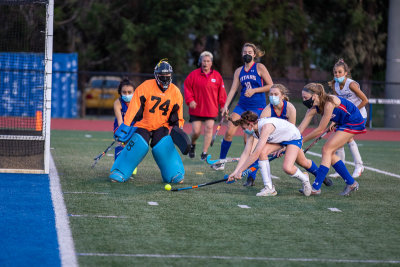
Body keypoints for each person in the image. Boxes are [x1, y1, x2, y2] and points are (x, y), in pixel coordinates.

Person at [109, 59, 186, 184]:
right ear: (156, 75)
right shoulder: (145, 86)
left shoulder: (176, 92)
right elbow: (134, 108)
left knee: (163, 145)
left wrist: (178, 130)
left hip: (162, 126)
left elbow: (178, 115)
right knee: (138, 144)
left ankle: (174, 173)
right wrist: (126, 126)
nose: (165, 79)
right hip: (143, 124)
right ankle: (120, 171)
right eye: (162, 76)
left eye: (168, 76)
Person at [212, 42, 273, 186]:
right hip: (242, 105)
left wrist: (255, 91)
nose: (247, 54)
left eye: (250, 52)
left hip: (257, 107)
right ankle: (221, 162)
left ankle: (251, 176)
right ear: (242, 54)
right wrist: (226, 106)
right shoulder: (239, 71)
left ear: (254, 54)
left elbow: (271, 85)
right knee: (229, 131)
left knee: (250, 141)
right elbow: (233, 89)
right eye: (245, 52)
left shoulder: (259, 67)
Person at [259, 84, 333, 188]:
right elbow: (263, 133)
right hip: (275, 140)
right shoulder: (267, 110)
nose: (273, 96)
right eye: (271, 94)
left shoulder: (290, 108)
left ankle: (320, 176)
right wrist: (275, 147)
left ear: (283, 96)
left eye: (275, 94)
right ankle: (254, 180)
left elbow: (291, 132)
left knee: (303, 162)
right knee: (263, 152)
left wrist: (284, 147)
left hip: (290, 138)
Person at [298, 83, 365, 196]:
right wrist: (291, 140)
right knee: (330, 153)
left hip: (353, 121)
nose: (304, 100)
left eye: (305, 97)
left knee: (326, 150)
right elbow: (300, 128)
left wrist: (302, 141)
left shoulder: (329, 103)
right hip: (342, 122)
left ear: (314, 95)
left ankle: (316, 187)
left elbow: (320, 129)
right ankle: (351, 183)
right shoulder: (312, 109)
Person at [226, 111, 312, 197]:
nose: (244, 131)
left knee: (287, 168)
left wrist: (241, 171)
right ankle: (269, 188)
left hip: (293, 138)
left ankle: (305, 179)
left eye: (244, 128)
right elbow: (246, 153)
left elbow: (255, 154)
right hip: (279, 139)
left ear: (251, 124)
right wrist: (236, 171)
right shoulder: (252, 131)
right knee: (263, 152)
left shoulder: (266, 127)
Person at [328, 59, 368, 178]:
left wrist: (352, 110)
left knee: (348, 139)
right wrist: (334, 120)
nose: (337, 75)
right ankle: (341, 169)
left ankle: (359, 165)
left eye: (340, 72)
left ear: (346, 73)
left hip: (359, 115)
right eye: (335, 72)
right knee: (339, 140)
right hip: (346, 116)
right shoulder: (335, 86)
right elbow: (338, 104)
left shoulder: (351, 84)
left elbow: (365, 100)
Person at [184, 51, 227, 160]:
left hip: (211, 109)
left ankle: (204, 153)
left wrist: (223, 105)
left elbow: (221, 93)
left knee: (209, 129)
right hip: (196, 109)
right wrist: (190, 100)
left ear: (211, 63)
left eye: (208, 61)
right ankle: (193, 144)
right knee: (196, 131)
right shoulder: (193, 74)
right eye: (204, 61)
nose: (206, 63)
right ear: (200, 62)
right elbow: (187, 88)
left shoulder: (217, 76)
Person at [113, 78, 137, 175]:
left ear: (134, 92)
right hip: (121, 127)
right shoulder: (117, 103)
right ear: (120, 92)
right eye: (124, 92)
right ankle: (118, 168)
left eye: (129, 92)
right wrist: (123, 134)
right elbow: (120, 120)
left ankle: (132, 166)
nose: (127, 94)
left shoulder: (138, 102)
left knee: (133, 145)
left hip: (134, 126)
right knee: (121, 144)